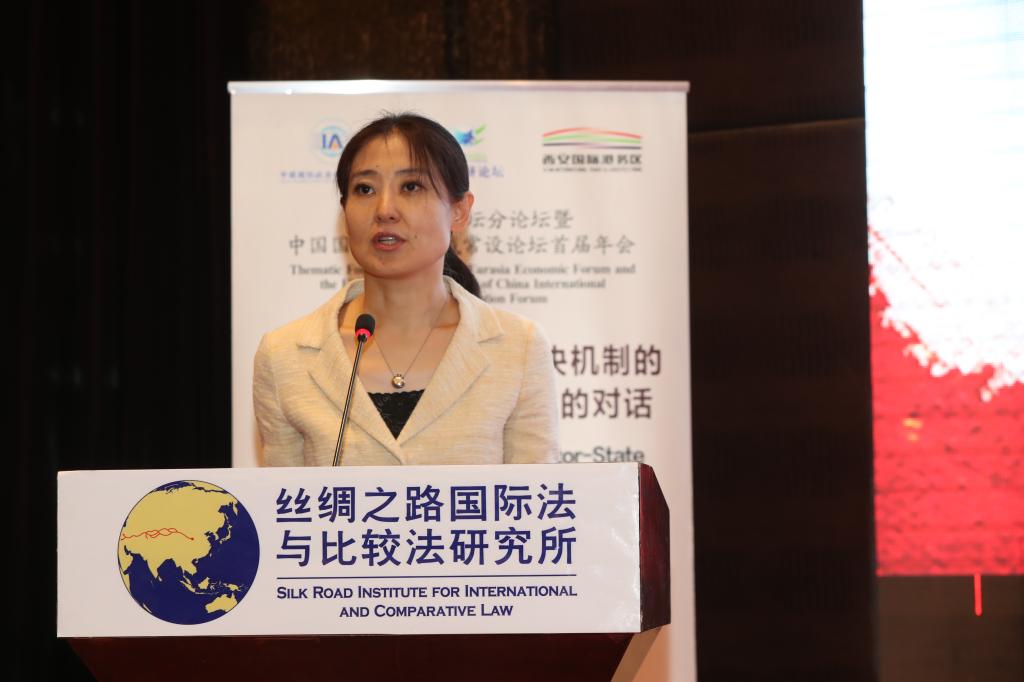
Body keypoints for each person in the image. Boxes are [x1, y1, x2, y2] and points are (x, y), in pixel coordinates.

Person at [253, 113, 559, 467]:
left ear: (459, 211)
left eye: (411, 187)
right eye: (365, 189)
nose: (385, 210)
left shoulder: (518, 349)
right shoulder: (284, 356)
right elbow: (282, 501)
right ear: (344, 210)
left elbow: (536, 498)